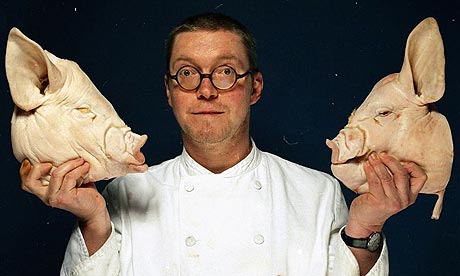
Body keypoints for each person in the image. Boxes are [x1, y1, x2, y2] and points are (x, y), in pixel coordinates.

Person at [19, 12, 426, 276]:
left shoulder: (316, 192)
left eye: (226, 72)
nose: (207, 90)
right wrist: (92, 219)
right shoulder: (125, 194)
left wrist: (367, 226)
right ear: (169, 90)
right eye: (188, 73)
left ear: (255, 88)